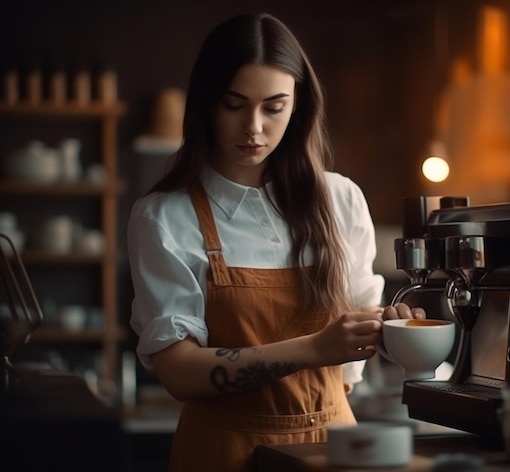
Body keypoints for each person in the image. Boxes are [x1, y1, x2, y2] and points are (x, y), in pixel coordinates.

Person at [127, 12, 422, 471]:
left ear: (298, 106)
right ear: (206, 102)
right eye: (234, 104)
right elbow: (178, 371)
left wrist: (392, 332)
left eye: (274, 106)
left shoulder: (340, 199)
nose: (254, 128)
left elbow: (356, 341)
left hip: (332, 447)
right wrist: (314, 348)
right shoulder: (164, 216)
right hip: (222, 452)